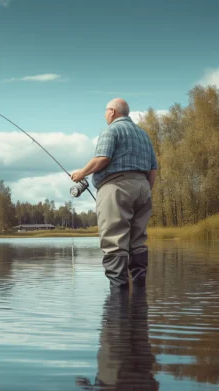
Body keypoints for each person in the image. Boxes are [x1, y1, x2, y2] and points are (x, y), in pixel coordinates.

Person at [71, 98, 158, 289]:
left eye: (105, 111)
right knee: (137, 241)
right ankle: (138, 291)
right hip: (143, 188)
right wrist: (145, 189)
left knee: (114, 241)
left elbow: (103, 158)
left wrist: (81, 173)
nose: (104, 115)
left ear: (112, 111)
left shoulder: (111, 131)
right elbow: (153, 169)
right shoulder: (144, 135)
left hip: (116, 187)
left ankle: (118, 296)